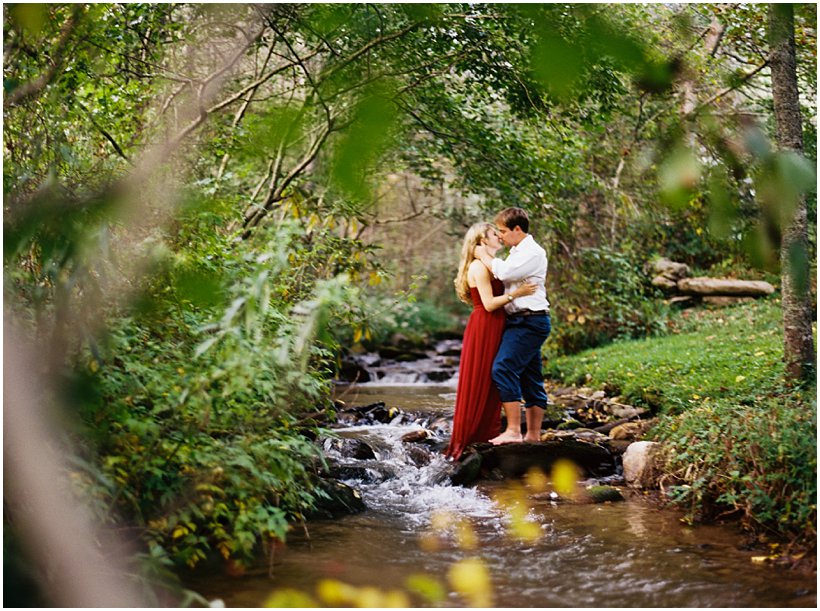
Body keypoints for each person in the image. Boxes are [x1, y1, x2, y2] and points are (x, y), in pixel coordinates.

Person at [445, 222, 536, 460]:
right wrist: (518, 293)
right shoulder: (479, 267)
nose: (499, 237)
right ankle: (473, 436)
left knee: (493, 377)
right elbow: (488, 303)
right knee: (484, 377)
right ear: (482, 240)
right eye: (494, 234)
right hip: (486, 324)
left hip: (496, 323)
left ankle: (489, 432)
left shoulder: (490, 264)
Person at [474, 207, 550, 445]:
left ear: (518, 229)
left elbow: (504, 273)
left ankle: (514, 431)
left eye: (503, 231)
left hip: (530, 320)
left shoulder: (532, 252)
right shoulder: (517, 251)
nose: (501, 235)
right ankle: (533, 436)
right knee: (530, 377)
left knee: (503, 368)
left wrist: (481, 255)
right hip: (522, 320)